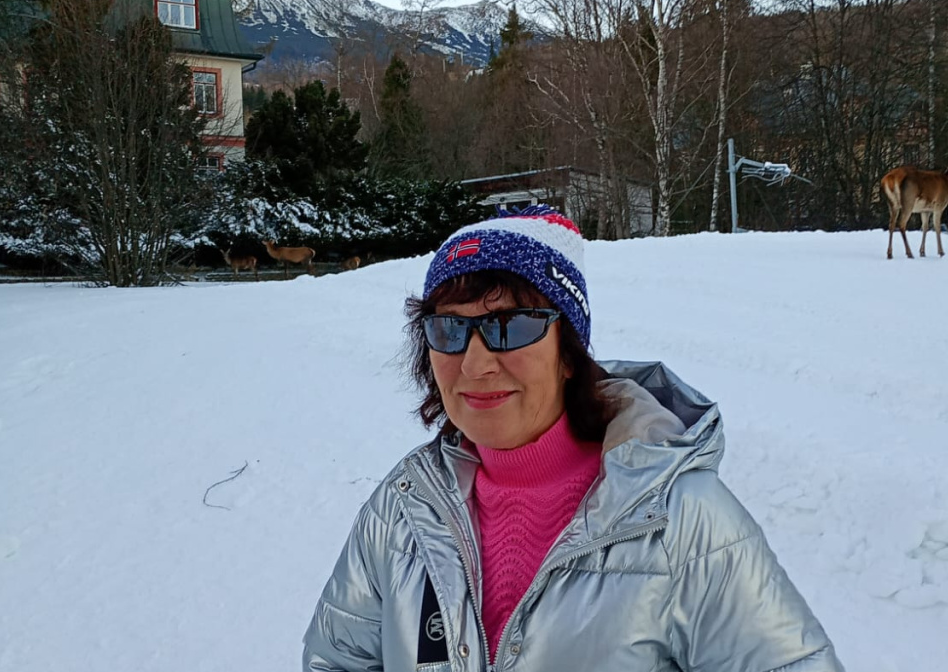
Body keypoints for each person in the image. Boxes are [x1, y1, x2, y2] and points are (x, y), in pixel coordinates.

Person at [303, 206, 844, 672]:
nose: (474, 364)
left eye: (510, 326)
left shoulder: (679, 520)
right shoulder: (403, 510)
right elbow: (337, 661)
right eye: (449, 329)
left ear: (568, 353)